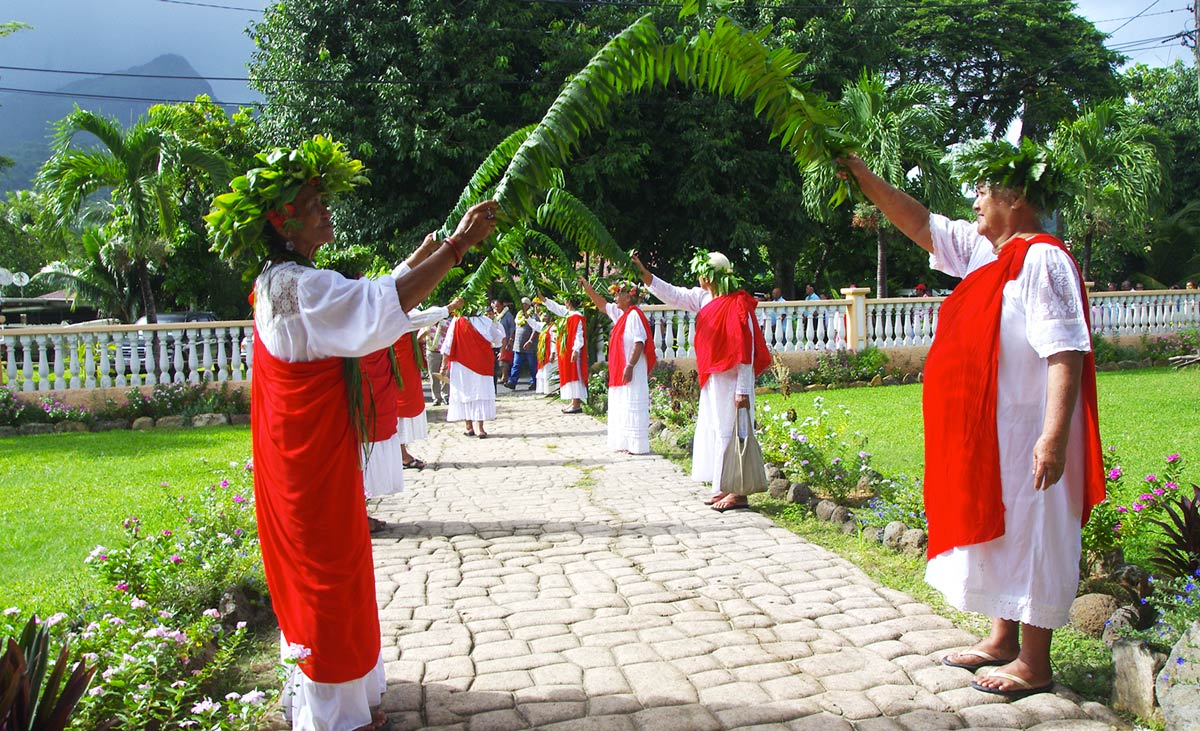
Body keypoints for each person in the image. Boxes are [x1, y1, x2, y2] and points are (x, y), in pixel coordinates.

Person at [205, 136, 499, 731]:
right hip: (310, 461)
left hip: (305, 455)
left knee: (332, 567)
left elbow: (362, 305)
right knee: (327, 573)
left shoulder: (285, 283)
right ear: (280, 219)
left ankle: (343, 699)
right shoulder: (295, 286)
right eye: (316, 205)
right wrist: (459, 246)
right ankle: (336, 715)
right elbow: (369, 310)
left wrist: (425, 257)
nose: (327, 214)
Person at [838, 143, 1104, 700]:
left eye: (985, 190)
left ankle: (1035, 661)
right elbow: (923, 225)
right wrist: (866, 178)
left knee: (1035, 529)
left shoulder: (1042, 258)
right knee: (1003, 527)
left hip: (1033, 428)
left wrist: (1053, 438)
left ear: (1018, 197)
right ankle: (1002, 639)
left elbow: (1065, 351)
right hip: (994, 431)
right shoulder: (989, 254)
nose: (976, 200)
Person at [632, 249, 770, 512]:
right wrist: (644, 274)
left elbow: (746, 348)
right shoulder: (704, 298)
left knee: (733, 430)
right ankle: (723, 485)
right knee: (719, 430)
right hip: (714, 376)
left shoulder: (737, 302)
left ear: (711, 275)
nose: (697, 276)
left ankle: (738, 493)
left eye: (701, 272)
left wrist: (742, 388)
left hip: (733, 379)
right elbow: (674, 294)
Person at [580, 276, 656, 454]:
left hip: (633, 367)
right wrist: (587, 288)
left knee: (631, 400)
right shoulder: (622, 314)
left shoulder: (635, 315)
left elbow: (639, 342)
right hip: (623, 367)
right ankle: (625, 443)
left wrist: (629, 365)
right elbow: (601, 305)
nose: (614, 298)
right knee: (622, 402)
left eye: (617, 294)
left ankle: (636, 445)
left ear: (628, 297)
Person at [441, 306, 505, 437]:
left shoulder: (457, 321)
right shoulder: (485, 321)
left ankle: (469, 426)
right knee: (479, 392)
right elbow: (498, 340)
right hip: (479, 363)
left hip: (462, 363)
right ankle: (478, 427)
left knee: (466, 391)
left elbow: (447, 344)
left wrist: (443, 365)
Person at [540, 294, 588, 413]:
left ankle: (576, 403)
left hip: (572, 351)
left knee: (575, 375)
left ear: (569, 302)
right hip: (566, 351)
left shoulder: (577, 316)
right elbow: (555, 307)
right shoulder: (568, 314)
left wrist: (576, 349)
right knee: (569, 375)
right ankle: (573, 401)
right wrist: (544, 299)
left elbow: (578, 334)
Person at [504, 297, 538, 390]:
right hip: (518, 345)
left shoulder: (533, 315)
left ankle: (534, 382)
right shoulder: (519, 315)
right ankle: (512, 382)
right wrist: (511, 340)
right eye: (522, 304)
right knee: (516, 364)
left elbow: (536, 330)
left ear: (528, 305)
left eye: (524, 304)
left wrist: (530, 340)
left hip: (529, 346)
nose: (523, 305)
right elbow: (515, 329)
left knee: (532, 366)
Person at [422, 317, 451, 405]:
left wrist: (445, 331)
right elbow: (419, 338)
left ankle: (446, 395)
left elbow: (452, 336)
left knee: (446, 374)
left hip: (444, 352)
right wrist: (425, 333)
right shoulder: (426, 325)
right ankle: (436, 398)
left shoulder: (446, 323)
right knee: (433, 375)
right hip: (432, 352)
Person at [531, 310, 558, 395]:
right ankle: (544, 390)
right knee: (543, 371)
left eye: (546, 316)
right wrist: (526, 316)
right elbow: (534, 324)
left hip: (550, 352)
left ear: (551, 317)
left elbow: (554, 340)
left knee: (549, 371)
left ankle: (552, 391)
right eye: (543, 316)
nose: (544, 318)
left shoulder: (554, 327)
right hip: (543, 353)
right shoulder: (543, 326)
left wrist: (553, 353)